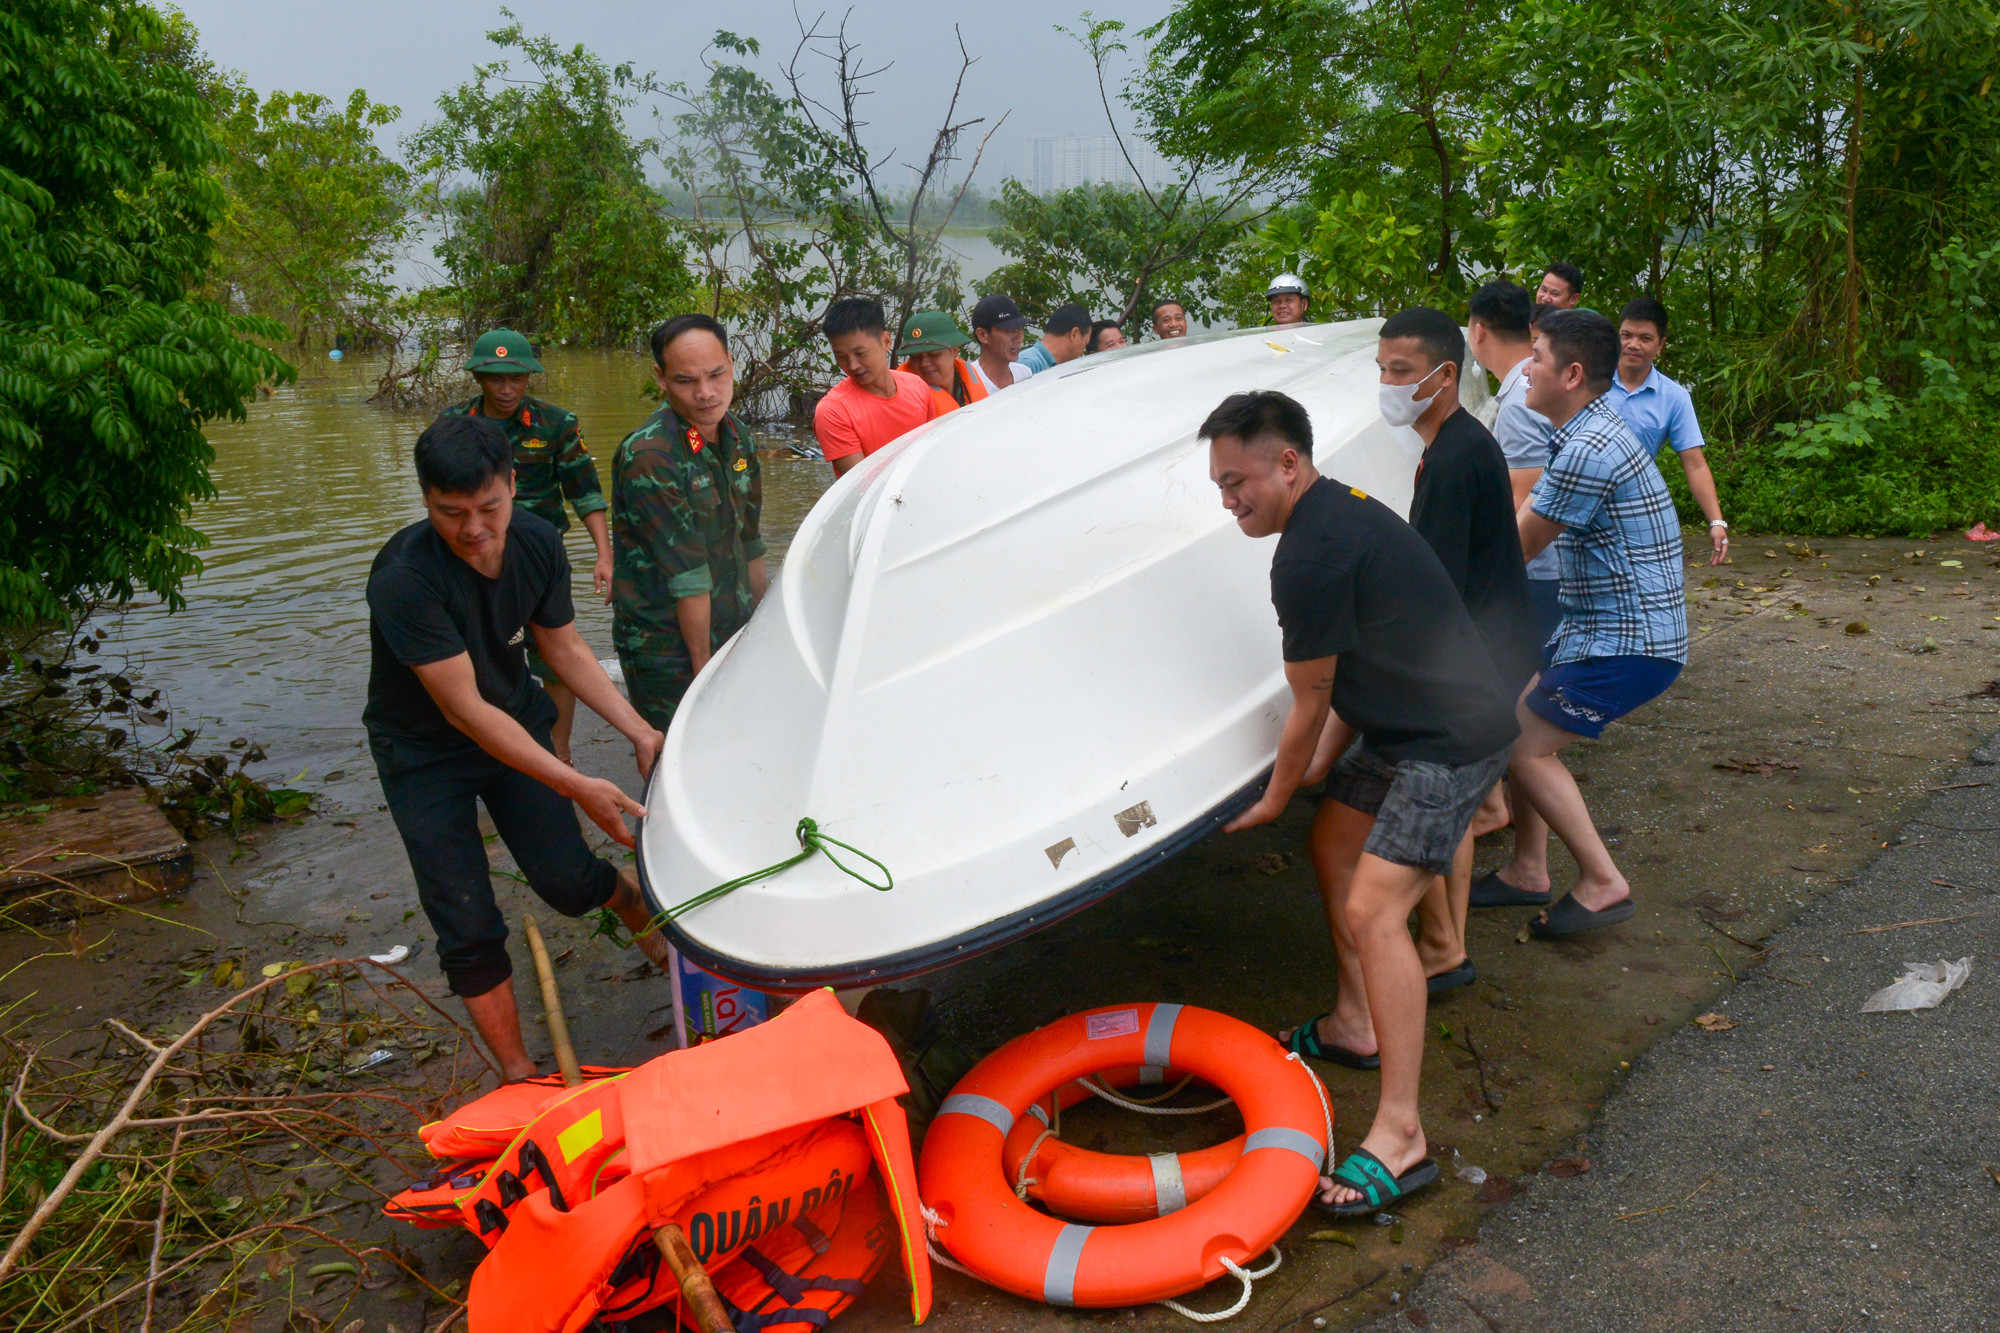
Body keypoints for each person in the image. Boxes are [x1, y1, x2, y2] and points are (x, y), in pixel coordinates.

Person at [1206, 390, 1516, 1217]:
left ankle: (1402, 1134)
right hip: (1400, 719)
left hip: (1450, 739)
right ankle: (1355, 1023)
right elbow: (1344, 675)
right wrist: (1313, 780)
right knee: (1334, 845)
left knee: (1376, 910)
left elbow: (1309, 705)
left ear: (1288, 462)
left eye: (1238, 481)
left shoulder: (1304, 557)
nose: (1229, 500)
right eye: (1218, 486)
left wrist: (1277, 795)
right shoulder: (1339, 509)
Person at [365, 414, 667, 1082]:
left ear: (511, 485)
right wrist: (574, 780)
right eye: (451, 513)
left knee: (566, 881)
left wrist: (638, 728)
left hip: (515, 718)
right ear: (425, 500)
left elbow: (562, 644)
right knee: (465, 917)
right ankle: (517, 1072)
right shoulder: (403, 577)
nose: (473, 528)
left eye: (488, 507)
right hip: (423, 752)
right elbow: (463, 709)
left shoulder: (535, 540)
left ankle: (623, 898)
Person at [1376, 308, 1540, 989]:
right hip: (1494, 651)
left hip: (1471, 664)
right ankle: (1449, 944)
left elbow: (1434, 589)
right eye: (1382, 369)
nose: (1386, 384)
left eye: (1401, 372)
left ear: (1446, 375)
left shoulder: (1451, 461)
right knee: (1464, 812)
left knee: (1431, 803)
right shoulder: (1463, 442)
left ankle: (1443, 947)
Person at [1513, 309, 1688, 936]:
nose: (1525, 368)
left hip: (1629, 643)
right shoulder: (1587, 433)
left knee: (1522, 742)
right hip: (1610, 631)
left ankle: (1602, 881)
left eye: (1534, 356)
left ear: (1572, 374)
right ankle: (1528, 869)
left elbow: (1519, 550)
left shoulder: (1589, 448)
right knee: (1519, 711)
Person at [439, 330, 611, 764]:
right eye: (495, 378)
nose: (506, 388)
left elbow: (585, 492)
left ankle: (560, 751)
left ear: (529, 378)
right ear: (478, 375)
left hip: (537, 561)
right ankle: (491, 749)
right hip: (471, 560)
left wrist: (604, 556)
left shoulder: (557, 424)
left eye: (516, 379)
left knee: (555, 658)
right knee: (476, 656)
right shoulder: (454, 425)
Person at [1464, 279, 1569, 910]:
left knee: (1517, 721)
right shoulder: (1522, 390)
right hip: (1541, 576)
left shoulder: (1518, 400)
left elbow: (1521, 495)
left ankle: (1497, 822)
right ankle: (1527, 859)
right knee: (1529, 722)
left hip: (1537, 578)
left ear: (1477, 332)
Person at [612, 315, 769, 733]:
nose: (705, 393)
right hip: (668, 651)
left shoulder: (737, 436)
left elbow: (750, 544)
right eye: (685, 381)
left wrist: (764, 632)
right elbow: (689, 578)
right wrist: (704, 674)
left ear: (732, 364)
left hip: (730, 627)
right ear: (661, 378)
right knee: (679, 752)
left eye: (716, 374)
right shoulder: (651, 457)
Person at [1610, 296, 1728, 566]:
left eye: (1645, 338)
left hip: (1636, 511)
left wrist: (1716, 521)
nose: (1633, 345)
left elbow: (1695, 464)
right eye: (1626, 335)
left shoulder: (1674, 397)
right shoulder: (1588, 382)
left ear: (1661, 345)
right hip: (1581, 504)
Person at [814, 296, 940, 477]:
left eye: (860, 353)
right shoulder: (833, 411)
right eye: (841, 356)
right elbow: (862, 484)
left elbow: (930, 455)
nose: (852, 365)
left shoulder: (918, 387)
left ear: (886, 341)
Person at [897, 309, 985, 412]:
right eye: (916, 357)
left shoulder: (968, 378)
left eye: (933, 354)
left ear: (954, 351)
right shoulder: (902, 400)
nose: (924, 363)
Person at [969, 294, 1035, 392]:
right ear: (982, 335)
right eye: (1009, 330)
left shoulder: (1024, 374)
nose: (1019, 338)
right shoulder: (968, 383)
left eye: (1020, 329)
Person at [1017, 304, 1092, 374]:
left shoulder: (1058, 367)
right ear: (1074, 334)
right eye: (1085, 343)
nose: (1083, 351)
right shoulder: (1026, 365)